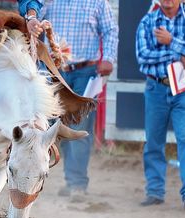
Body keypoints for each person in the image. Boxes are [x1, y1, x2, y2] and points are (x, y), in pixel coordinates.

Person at [39, 0, 118, 201]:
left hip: (86, 71)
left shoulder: (98, 2)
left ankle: (77, 184)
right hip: (55, 71)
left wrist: (108, 57)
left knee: (80, 126)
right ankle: (68, 179)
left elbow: (110, 30)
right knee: (56, 125)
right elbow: (34, 21)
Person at [135, 0, 185, 211]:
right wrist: (180, 54)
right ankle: (155, 192)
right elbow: (143, 57)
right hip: (156, 88)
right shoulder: (148, 21)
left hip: (184, 90)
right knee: (154, 142)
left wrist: (172, 41)